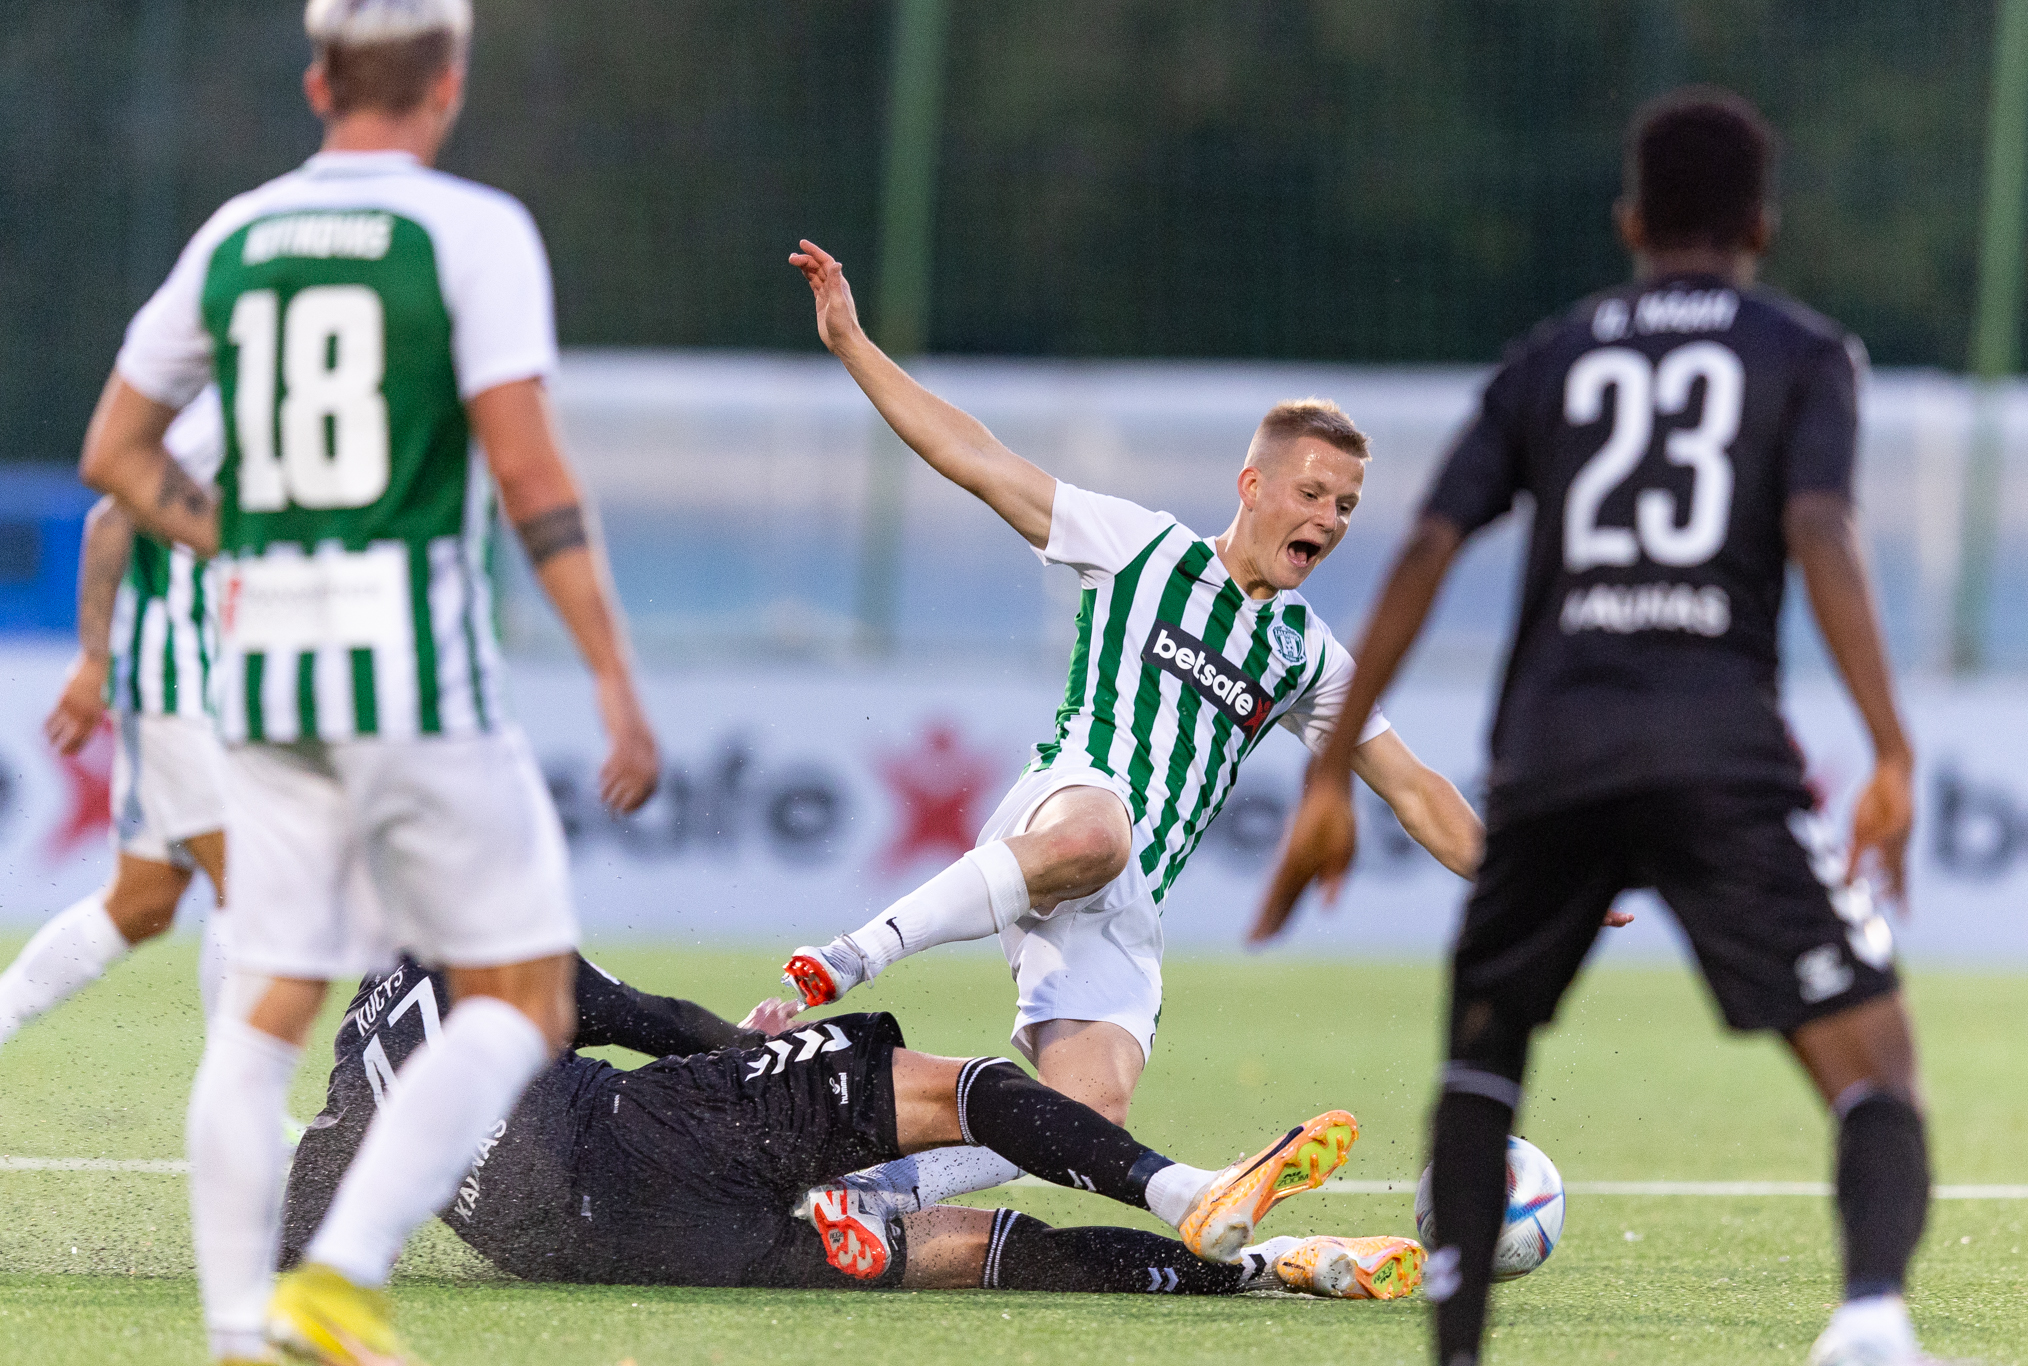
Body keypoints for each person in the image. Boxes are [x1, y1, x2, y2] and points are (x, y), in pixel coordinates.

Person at [1255, 89, 1928, 1366]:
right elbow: (1820, 533)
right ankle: (1868, 1322)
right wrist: (1889, 745)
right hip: (1714, 746)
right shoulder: (1802, 351)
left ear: (1627, 220)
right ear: (1760, 229)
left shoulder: (1546, 358)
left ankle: (1455, 1352)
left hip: (1552, 752)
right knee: (1872, 1054)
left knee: (1483, 1057)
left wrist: (1331, 772)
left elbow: (1427, 548)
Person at [76, 3, 661, 1361]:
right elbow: (526, 472)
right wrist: (614, 673)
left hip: (267, 677)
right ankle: (336, 1278)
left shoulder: (235, 236)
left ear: (317, 79)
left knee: (268, 1007)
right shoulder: (475, 232)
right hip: (414, 676)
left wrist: (245, 538)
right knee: (523, 997)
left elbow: (116, 450)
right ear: (447, 86)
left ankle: (239, 1331)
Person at [777, 238, 1494, 1211]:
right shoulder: (1139, 548)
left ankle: (871, 1195)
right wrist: (853, 343)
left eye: (1346, 506)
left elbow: (1412, 787)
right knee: (1099, 833)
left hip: (1123, 898)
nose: (1328, 519)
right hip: (1066, 807)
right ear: (1252, 487)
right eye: (1312, 493)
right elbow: (976, 459)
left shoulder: (1302, 652)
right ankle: (855, 952)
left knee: (1087, 1113)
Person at [280, 953, 1420, 1303]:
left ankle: (1263, 1275)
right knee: (950, 1085)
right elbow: (653, 1021)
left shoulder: (346, 1087)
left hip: (635, 1253)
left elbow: (306, 1207)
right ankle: (1189, 1196)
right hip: (640, 1136)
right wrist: (748, 1052)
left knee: (953, 1256)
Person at [1, 392, 232, 1045]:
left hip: (210, 687)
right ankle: (238, 1111)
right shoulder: (228, 410)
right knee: (248, 884)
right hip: (181, 683)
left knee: (143, 900)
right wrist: (95, 661)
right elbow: (113, 514)